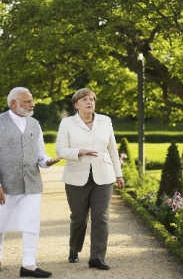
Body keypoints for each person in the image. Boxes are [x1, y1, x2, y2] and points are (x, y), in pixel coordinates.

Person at [0, 87, 60, 278]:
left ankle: (28, 265)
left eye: (32, 100)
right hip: (4, 184)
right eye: (27, 101)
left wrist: (47, 161)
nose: (32, 104)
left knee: (31, 223)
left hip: (31, 183)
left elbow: (40, 154)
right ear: (13, 103)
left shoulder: (35, 124)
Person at [55, 88, 124, 270]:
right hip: (76, 177)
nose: (89, 102)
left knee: (101, 217)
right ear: (76, 105)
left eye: (92, 99)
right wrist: (79, 151)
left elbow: (112, 149)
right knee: (78, 218)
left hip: (104, 176)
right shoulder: (67, 123)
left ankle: (97, 257)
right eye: (84, 99)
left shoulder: (105, 121)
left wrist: (118, 174)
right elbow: (60, 150)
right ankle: (74, 248)